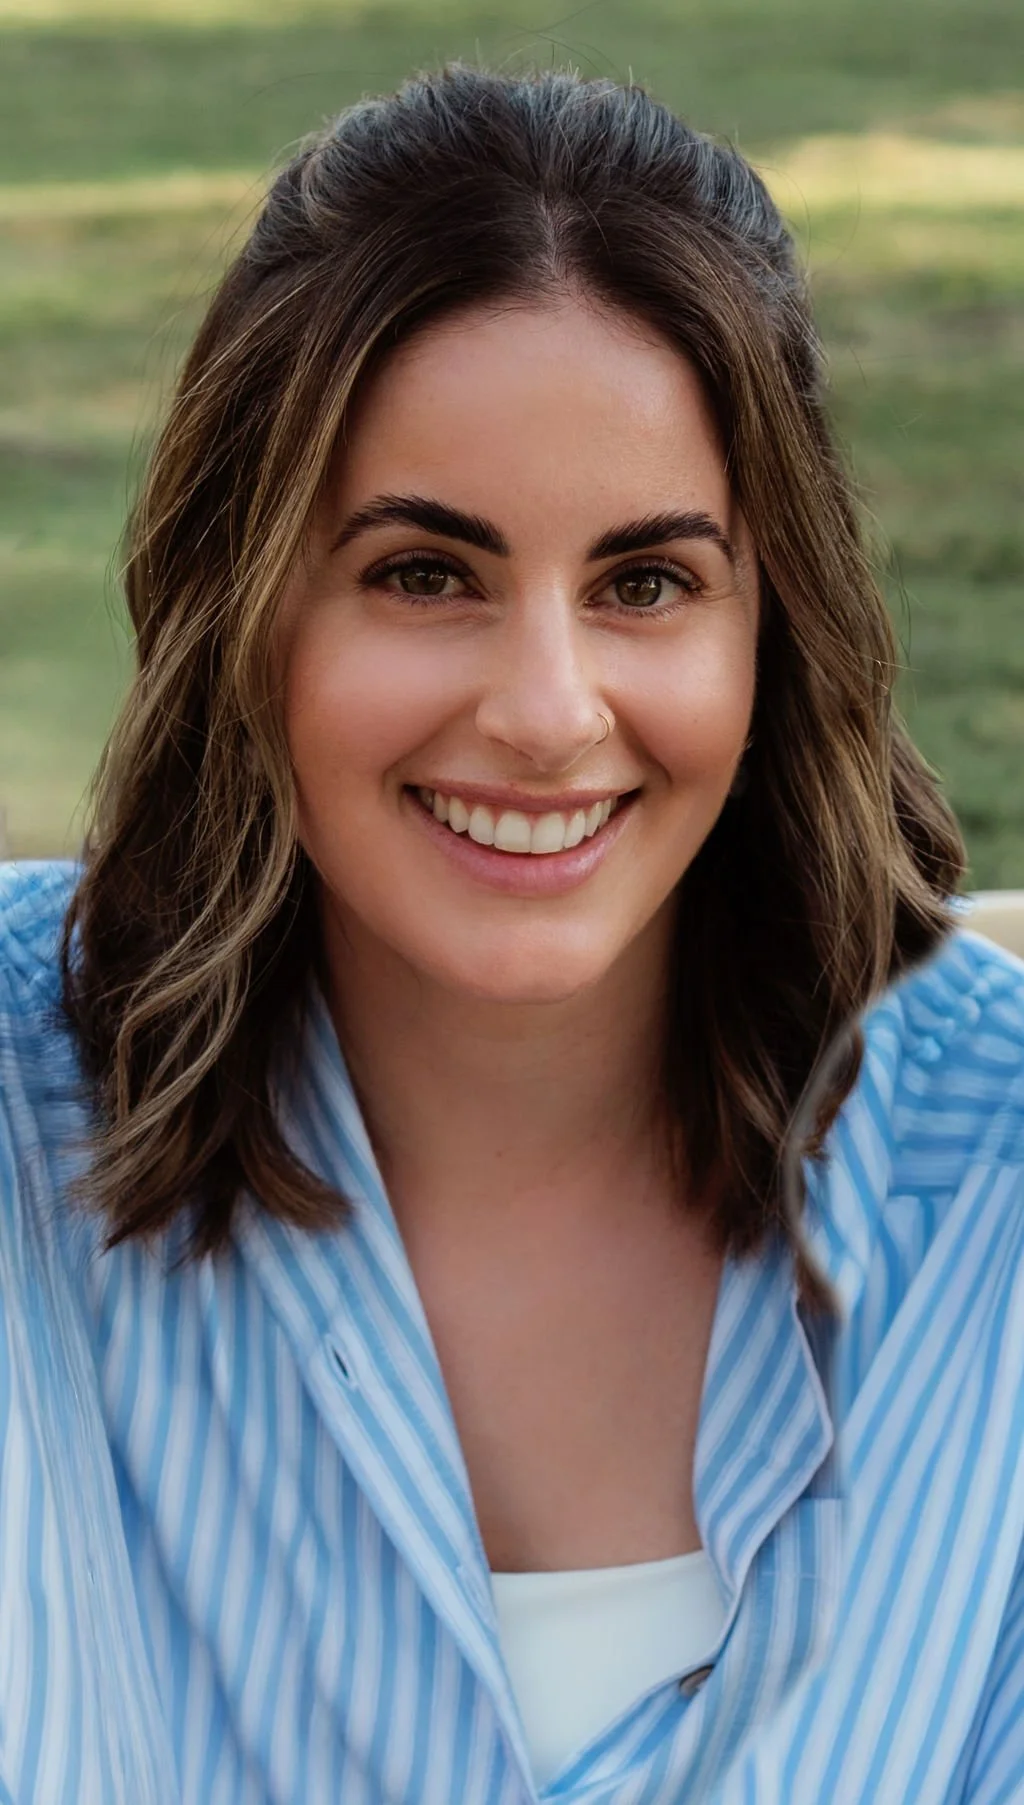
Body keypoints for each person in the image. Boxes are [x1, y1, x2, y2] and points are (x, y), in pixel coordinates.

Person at [1, 62, 1023, 1805]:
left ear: (771, 632)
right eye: (423, 573)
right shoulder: (22, 1110)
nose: (550, 712)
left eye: (647, 584)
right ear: (244, 611)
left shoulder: (990, 1192)